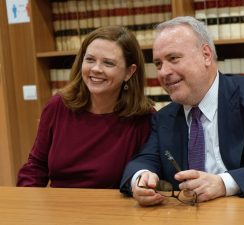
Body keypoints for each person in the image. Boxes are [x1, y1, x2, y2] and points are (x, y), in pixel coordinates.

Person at [120, 16, 244, 205]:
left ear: (206, 55)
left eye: (173, 58)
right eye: (158, 64)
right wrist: (141, 178)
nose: (163, 72)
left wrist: (224, 183)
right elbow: (143, 161)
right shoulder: (165, 117)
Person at [17, 26, 154, 188]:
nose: (95, 69)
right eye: (89, 59)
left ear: (129, 72)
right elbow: (36, 166)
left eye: (108, 63)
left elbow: (147, 172)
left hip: (111, 211)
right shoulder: (58, 106)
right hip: (57, 209)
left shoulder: (144, 118)